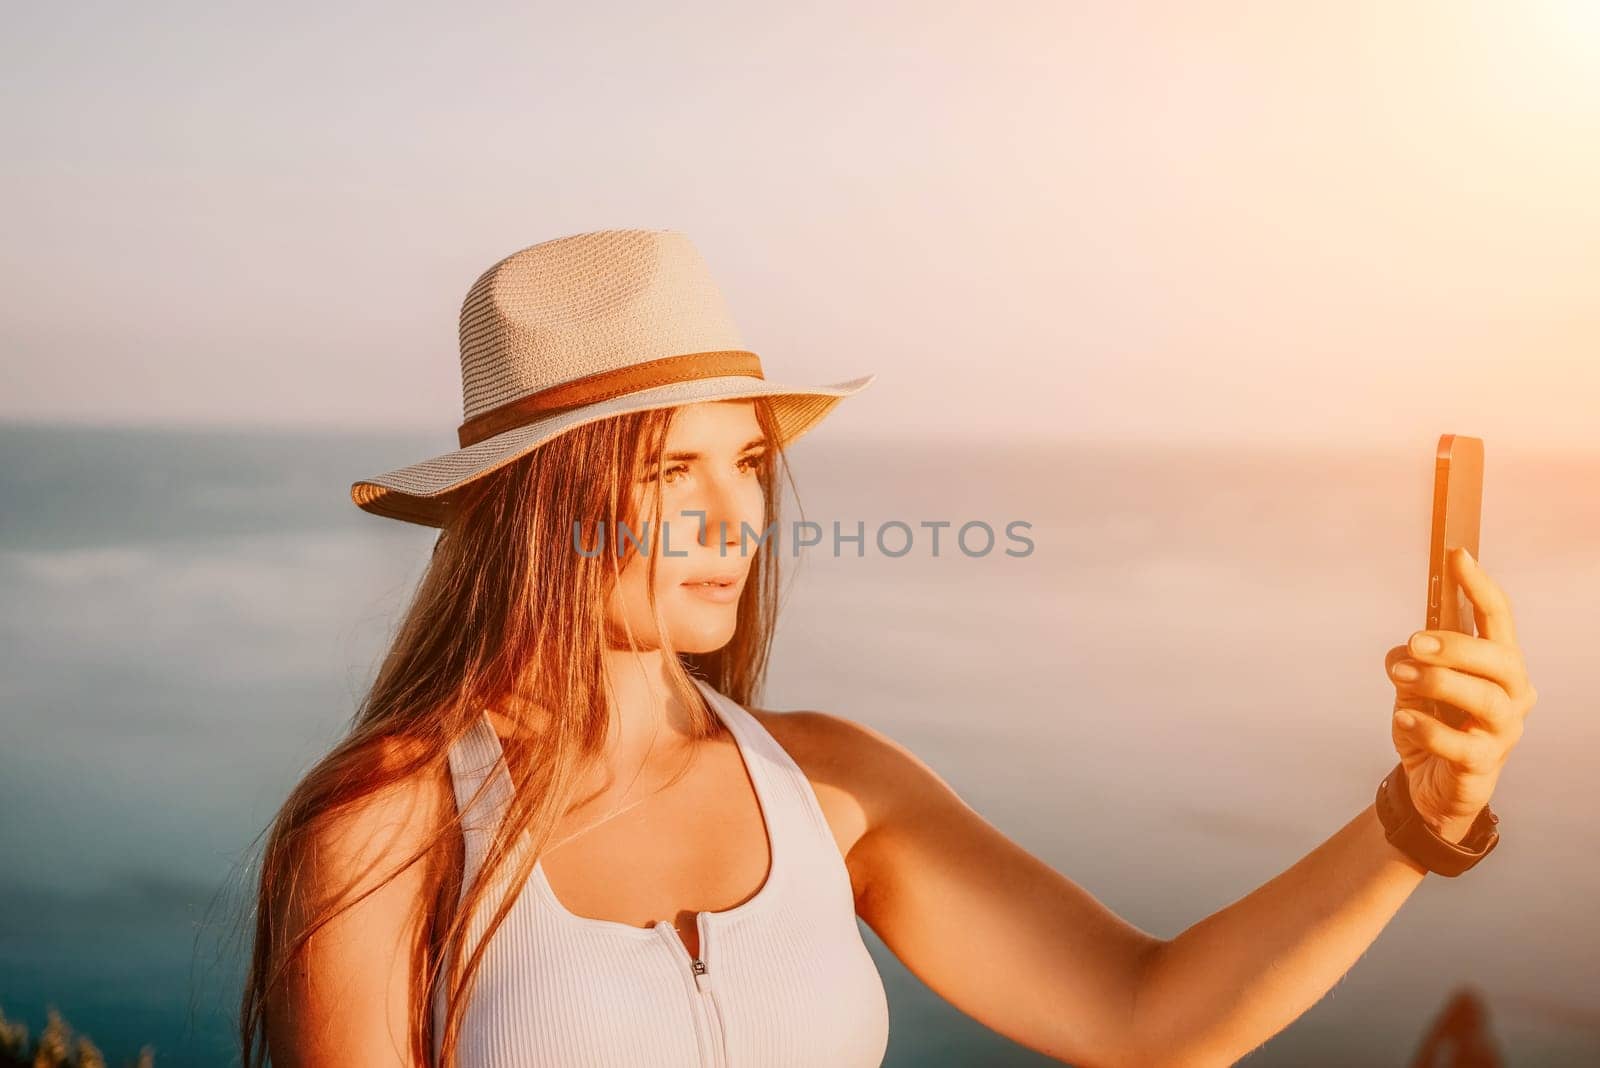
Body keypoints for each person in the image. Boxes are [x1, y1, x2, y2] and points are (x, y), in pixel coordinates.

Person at [240, 229, 1538, 1068]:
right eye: (667, 470)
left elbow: (1148, 1016)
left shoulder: (837, 788)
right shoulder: (389, 828)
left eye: (745, 461)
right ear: (540, 502)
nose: (735, 516)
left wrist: (1414, 821)